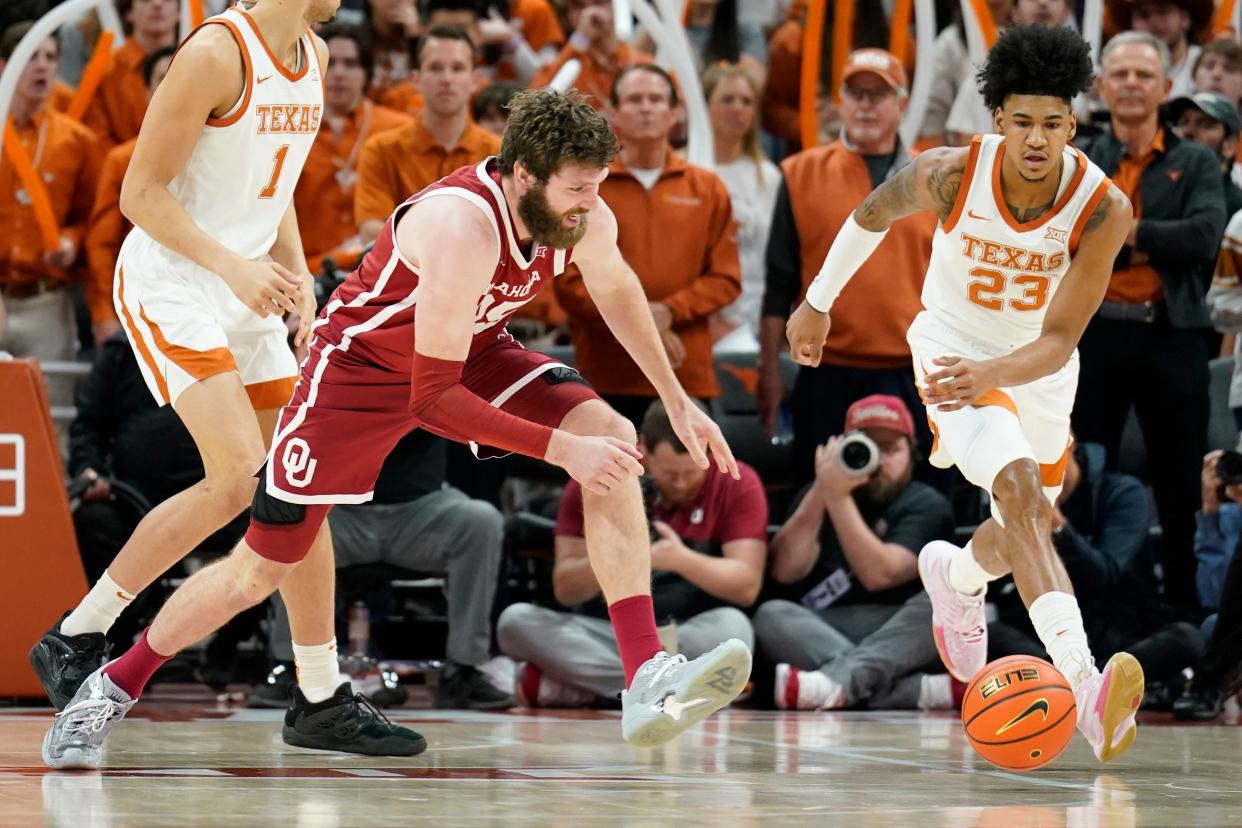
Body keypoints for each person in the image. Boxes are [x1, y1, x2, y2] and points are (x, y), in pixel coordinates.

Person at [43, 89, 751, 769]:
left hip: (471, 347)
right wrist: (563, 450)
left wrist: (677, 397)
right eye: (576, 190)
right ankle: (109, 687)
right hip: (356, 376)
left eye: (598, 187)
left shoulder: (583, 214)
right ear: (525, 174)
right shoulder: (460, 225)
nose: (590, 206)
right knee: (260, 569)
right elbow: (432, 400)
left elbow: (618, 287)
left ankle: (644, 677)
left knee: (614, 432)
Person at [34, 0, 429, 767]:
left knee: (298, 485)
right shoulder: (217, 53)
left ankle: (319, 693)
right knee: (233, 478)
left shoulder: (311, 54)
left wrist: (297, 276)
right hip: (174, 282)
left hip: (248, 284)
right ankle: (77, 633)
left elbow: (272, 192)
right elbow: (139, 197)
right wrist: (234, 269)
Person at [785, 24, 1143, 762]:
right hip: (951, 349)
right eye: (1022, 122)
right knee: (1015, 490)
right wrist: (817, 302)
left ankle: (957, 573)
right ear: (998, 121)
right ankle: (1082, 688)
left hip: (1036, 367)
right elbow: (872, 214)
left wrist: (999, 375)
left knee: (1031, 521)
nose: (1037, 139)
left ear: (1072, 125)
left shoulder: (1104, 209)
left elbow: (1060, 339)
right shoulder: (950, 173)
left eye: (1052, 123)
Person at [1072, 31, 1226, 615]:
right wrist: (1151, 240)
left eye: (1144, 74)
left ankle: (1187, 618)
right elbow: (1062, 238)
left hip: (1171, 335)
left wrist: (1125, 232)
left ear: (1166, 87)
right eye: (1121, 74)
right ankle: (1096, 621)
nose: (1132, 83)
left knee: (1181, 485)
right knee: (1086, 478)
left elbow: (1204, 237)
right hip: (1094, 336)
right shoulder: (1079, 161)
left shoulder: (1196, 161)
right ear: (1102, 87)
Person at [498, 399, 765, 707]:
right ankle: (679, 690)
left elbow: (746, 586)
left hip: (689, 631)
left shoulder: (737, 480)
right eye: (669, 473)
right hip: (609, 635)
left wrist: (681, 559)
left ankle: (587, 690)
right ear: (644, 451)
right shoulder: (598, 470)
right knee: (515, 622)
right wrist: (625, 554)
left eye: (691, 473)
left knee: (736, 628)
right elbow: (566, 589)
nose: (680, 484)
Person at [758, 49, 935, 484]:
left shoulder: (935, 179)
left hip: (916, 371)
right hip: (826, 370)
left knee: (924, 502)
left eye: (879, 93)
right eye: (856, 93)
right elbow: (778, 284)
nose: (867, 104)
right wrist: (768, 371)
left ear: (903, 103)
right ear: (839, 101)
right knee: (819, 497)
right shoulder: (800, 173)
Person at [251, 430, 515, 710]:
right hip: (337, 509)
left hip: (421, 511)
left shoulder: (434, 385)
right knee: (291, 515)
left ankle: (463, 669)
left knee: (481, 521)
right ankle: (290, 669)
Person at [555, 64, 741, 426]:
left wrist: (670, 312)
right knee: (604, 480)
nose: (645, 108)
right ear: (613, 112)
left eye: (656, 99)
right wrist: (643, 317)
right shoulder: (584, 186)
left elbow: (726, 278)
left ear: (674, 113)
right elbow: (567, 282)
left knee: (690, 479)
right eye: (635, 99)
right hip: (607, 374)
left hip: (684, 370)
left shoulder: (707, 188)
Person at [754, 394, 957, 711]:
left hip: (901, 628)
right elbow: (784, 570)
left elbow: (880, 574)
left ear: (912, 452)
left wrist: (838, 499)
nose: (879, 461)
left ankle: (833, 684)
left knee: (947, 604)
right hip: (829, 625)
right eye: (868, 448)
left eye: (890, 450)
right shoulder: (819, 493)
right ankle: (908, 691)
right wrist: (824, 489)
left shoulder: (926, 503)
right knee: (771, 614)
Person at [992, 441, 1205, 687]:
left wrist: (1057, 525)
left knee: (1186, 638)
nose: (1031, 475)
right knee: (990, 635)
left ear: (1067, 446)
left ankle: (1076, 685)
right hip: (1049, 640)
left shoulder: (1122, 493)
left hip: (1119, 629)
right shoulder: (1012, 499)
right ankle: (1083, 686)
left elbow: (1104, 576)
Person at [0, 23, 101, 409]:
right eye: (30, 58)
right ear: (5, 66)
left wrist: (70, 243)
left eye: (50, 57)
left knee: (51, 410)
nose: (42, 66)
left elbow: (90, 216)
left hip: (46, 300)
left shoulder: (76, 141)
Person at [354, 27, 500, 245]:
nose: (447, 79)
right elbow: (372, 231)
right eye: (435, 68)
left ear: (474, 80)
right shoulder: (381, 150)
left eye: (458, 68)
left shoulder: (500, 153)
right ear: (415, 79)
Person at [294, 23, 412, 275]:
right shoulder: (291, 126)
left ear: (366, 72)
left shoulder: (398, 129)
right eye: (331, 62)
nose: (338, 73)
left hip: (377, 272)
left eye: (350, 64)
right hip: (305, 273)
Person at [85, 45, 175, 349]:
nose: (177, 87)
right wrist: (103, 315)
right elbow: (101, 245)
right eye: (164, 79)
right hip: (139, 313)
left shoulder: (226, 156)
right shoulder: (122, 161)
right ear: (148, 92)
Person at [703, 62, 780, 353]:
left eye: (747, 101)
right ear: (704, 105)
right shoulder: (687, 168)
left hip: (756, 317)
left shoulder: (768, 175)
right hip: (704, 321)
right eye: (727, 99)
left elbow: (773, 258)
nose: (738, 108)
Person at [84, 0, 179, 147]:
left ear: (179, 11)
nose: (157, 4)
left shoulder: (200, 63)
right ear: (128, 12)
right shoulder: (105, 70)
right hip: (122, 166)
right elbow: (96, 140)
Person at [530, 0, 654, 108]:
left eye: (599, 2)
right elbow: (532, 109)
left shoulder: (642, 64)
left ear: (616, 6)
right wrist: (580, 39)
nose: (590, 13)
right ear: (568, 15)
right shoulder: (563, 64)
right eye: (578, 6)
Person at [1108, 0, 1211, 100]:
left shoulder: (1209, 65)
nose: (1154, 21)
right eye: (1143, 15)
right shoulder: (1116, 68)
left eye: (1163, 11)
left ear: (1185, 18)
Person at [1167, 91, 1242, 216]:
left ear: (1229, 145)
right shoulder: (1156, 192)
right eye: (1183, 122)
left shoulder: (1238, 211)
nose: (1188, 131)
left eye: (1205, 125)